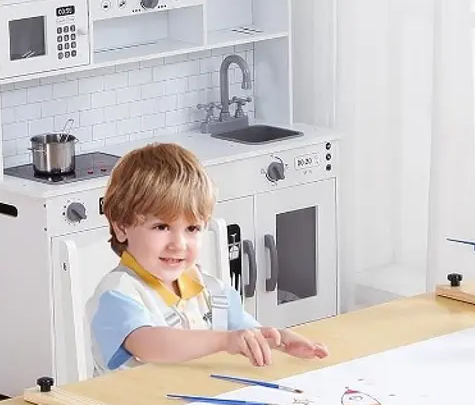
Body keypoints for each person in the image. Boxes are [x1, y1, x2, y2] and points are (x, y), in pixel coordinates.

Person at [88, 142, 328, 375]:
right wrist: (224, 341)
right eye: (161, 227)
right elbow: (147, 344)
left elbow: (245, 333)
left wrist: (280, 339)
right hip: (133, 401)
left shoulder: (210, 289)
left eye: (192, 229)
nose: (178, 244)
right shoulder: (116, 293)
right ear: (121, 228)